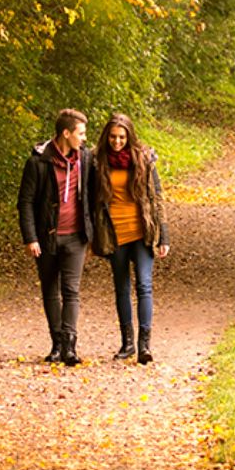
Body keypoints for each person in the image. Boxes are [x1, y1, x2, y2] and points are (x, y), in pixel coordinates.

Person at [17, 108, 94, 366]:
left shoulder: (85, 159)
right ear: (66, 133)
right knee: (50, 290)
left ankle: (70, 346)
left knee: (71, 290)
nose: (84, 138)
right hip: (46, 237)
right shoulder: (38, 162)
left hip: (76, 237)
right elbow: (25, 202)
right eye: (80, 133)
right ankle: (56, 344)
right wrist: (31, 237)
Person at [91, 113, 169, 364]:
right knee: (121, 288)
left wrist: (163, 236)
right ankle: (127, 344)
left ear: (129, 136)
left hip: (141, 232)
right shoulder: (97, 161)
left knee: (144, 285)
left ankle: (144, 344)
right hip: (114, 234)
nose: (117, 142)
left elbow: (157, 198)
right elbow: (91, 201)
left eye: (122, 137)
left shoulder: (144, 159)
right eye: (113, 137)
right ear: (107, 137)